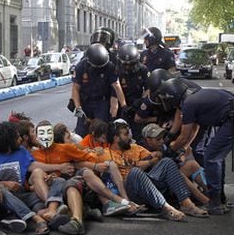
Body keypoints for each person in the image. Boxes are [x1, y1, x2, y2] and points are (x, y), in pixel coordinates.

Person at [97, 121, 208, 219]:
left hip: (148, 184)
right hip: (129, 191)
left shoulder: (135, 147)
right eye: (126, 134)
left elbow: (158, 156)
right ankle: (166, 208)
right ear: (116, 138)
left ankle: (186, 203)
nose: (129, 136)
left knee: (167, 162)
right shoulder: (104, 153)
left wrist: (148, 161)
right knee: (135, 172)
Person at [156, 78, 234, 215]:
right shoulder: (194, 98)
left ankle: (215, 203)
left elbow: (184, 135)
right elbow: (194, 129)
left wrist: (169, 151)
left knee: (211, 157)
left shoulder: (189, 104)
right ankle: (219, 198)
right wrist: (182, 147)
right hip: (229, 116)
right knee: (217, 157)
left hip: (230, 118)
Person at [0, 122, 54, 235]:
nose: (20, 139)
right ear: (8, 142)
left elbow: (32, 166)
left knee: (43, 193)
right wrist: (5, 183)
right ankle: (37, 219)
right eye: (17, 137)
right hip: (1, 200)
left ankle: (44, 213)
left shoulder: (21, 151)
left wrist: (47, 174)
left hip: (21, 194)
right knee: (1, 189)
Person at [140, 123, 209, 206]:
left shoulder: (162, 147)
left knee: (191, 164)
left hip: (168, 179)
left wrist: (180, 155)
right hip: (154, 184)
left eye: (162, 138)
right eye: (158, 139)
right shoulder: (141, 150)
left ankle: (209, 192)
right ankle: (205, 200)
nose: (162, 141)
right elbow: (138, 167)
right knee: (178, 173)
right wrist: (151, 159)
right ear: (148, 140)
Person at [71, 43, 127, 136]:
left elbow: (116, 86)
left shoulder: (109, 66)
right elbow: (75, 89)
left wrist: (123, 105)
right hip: (85, 102)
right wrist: (78, 108)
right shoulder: (80, 67)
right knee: (82, 131)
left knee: (102, 130)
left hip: (101, 102)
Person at [116, 44, 149, 143]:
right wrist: (124, 105)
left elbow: (148, 89)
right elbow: (116, 89)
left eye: (130, 64)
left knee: (138, 131)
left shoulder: (143, 70)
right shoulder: (117, 70)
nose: (127, 67)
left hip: (138, 102)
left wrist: (140, 102)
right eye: (125, 64)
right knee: (122, 131)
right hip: (123, 103)